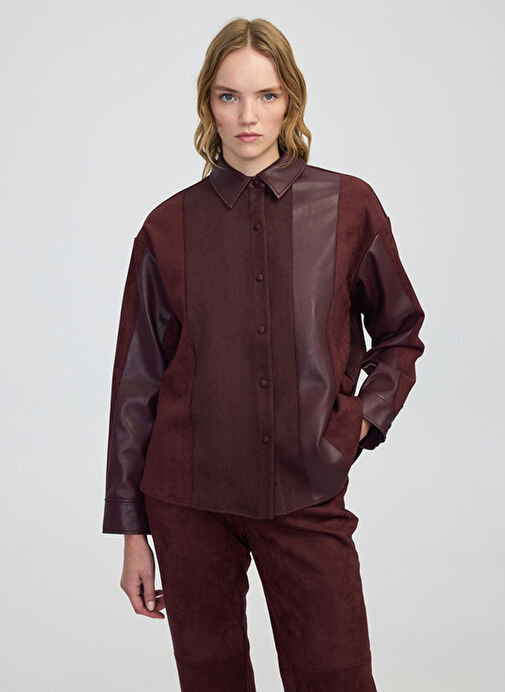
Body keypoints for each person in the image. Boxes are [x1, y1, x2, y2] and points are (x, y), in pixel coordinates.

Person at [101, 16, 425, 692]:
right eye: (229, 96)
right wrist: (133, 532)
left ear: (290, 101)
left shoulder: (348, 206)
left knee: (336, 677)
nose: (247, 116)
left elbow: (400, 331)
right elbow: (137, 381)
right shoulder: (166, 226)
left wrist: (358, 421)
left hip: (306, 486)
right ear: (208, 105)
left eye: (266, 95)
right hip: (187, 501)